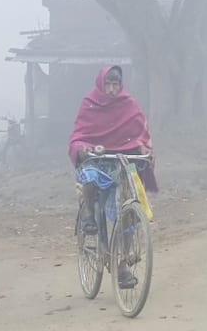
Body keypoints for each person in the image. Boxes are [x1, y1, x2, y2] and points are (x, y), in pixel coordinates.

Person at [69, 65, 157, 289]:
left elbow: (140, 133)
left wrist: (144, 149)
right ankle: (89, 216)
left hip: (121, 162)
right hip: (97, 160)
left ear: (120, 84)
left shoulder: (129, 104)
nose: (111, 89)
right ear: (101, 84)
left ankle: (122, 267)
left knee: (127, 212)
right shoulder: (89, 104)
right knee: (89, 176)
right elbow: (79, 134)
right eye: (108, 84)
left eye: (115, 84)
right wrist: (82, 148)